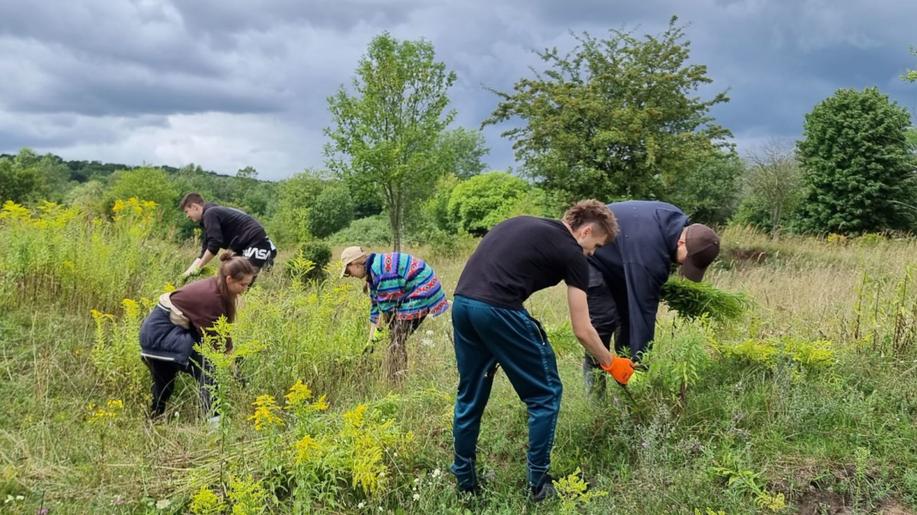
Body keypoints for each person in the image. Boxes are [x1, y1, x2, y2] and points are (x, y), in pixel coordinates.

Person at [449, 200, 636, 502]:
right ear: (586, 230)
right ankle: (539, 485)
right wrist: (611, 362)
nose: (592, 254)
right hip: (497, 310)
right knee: (545, 394)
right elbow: (583, 329)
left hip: (462, 306)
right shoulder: (573, 253)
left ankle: (465, 482)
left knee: (470, 396)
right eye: (596, 246)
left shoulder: (524, 222)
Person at [583, 200, 720, 395]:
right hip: (591, 254)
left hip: (621, 259)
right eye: (687, 260)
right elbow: (644, 310)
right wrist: (642, 363)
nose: (683, 266)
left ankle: (625, 384)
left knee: (627, 321)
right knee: (603, 321)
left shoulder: (677, 224)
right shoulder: (649, 256)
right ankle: (596, 394)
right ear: (682, 242)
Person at [139, 253, 256, 420]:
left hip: (166, 333)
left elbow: (220, 333)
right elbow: (217, 339)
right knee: (207, 369)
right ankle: (214, 423)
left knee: (164, 383)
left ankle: (154, 418)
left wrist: (232, 360)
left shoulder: (217, 286)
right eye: (243, 285)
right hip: (161, 335)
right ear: (229, 279)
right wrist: (234, 369)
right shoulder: (211, 297)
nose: (245, 289)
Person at [340, 246, 450, 382]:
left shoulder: (381, 273)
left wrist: (379, 332)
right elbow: (376, 308)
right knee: (395, 335)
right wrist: (370, 342)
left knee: (396, 339)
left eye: (348, 271)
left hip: (422, 289)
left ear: (355, 264)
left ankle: (395, 381)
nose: (349, 275)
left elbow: (388, 310)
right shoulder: (372, 274)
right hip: (411, 291)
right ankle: (395, 377)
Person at [179, 192, 276, 280]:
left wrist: (198, 267)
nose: (187, 216)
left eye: (187, 211)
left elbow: (214, 245)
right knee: (228, 277)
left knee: (241, 279)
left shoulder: (210, 214)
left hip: (255, 241)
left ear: (195, 207)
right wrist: (186, 274)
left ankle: (268, 262)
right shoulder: (210, 215)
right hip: (243, 246)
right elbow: (204, 251)